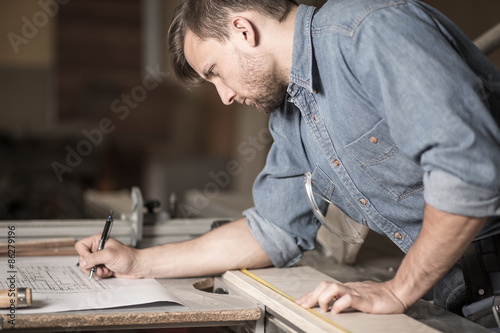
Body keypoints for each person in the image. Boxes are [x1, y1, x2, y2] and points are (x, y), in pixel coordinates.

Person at [76, 0, 500, 326]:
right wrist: (138, 262)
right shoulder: (292, 112)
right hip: (459, 285)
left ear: (243, 30)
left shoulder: (368, 31)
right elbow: (273, 229)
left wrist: (399, 289)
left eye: (215, 72)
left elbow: (468, 171)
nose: (223, 95)